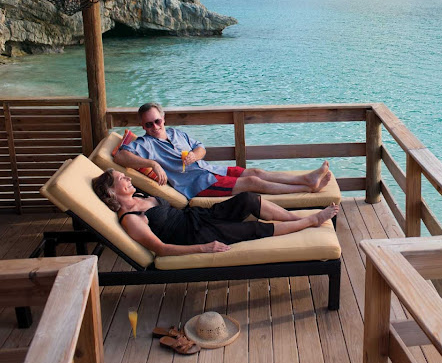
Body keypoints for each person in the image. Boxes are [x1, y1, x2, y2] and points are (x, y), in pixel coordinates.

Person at [92, 169, 339, 256]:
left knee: (247, 199)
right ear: (112, 193)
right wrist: (205, 248)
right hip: (196, 235)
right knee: (253, 229)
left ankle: (298, 218)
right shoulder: (131, 220)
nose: (127, 177)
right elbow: (161, 249)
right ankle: (310, 220)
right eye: (121, 178)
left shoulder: (139, 197)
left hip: (197, 217)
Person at [113, 102, 333, 199]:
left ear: (164, 118)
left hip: (209, 169)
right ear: (143, 127)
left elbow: (201, 148)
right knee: (254, 184)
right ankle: (307, 190)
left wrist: (194, 155)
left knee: (255, 172)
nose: (154, 127)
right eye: (149, 124)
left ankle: (307, 178)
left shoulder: (175, 133)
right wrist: (152, 163)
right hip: (197, 184)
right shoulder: (144, 145)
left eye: (157, 121)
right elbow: (121, 155)